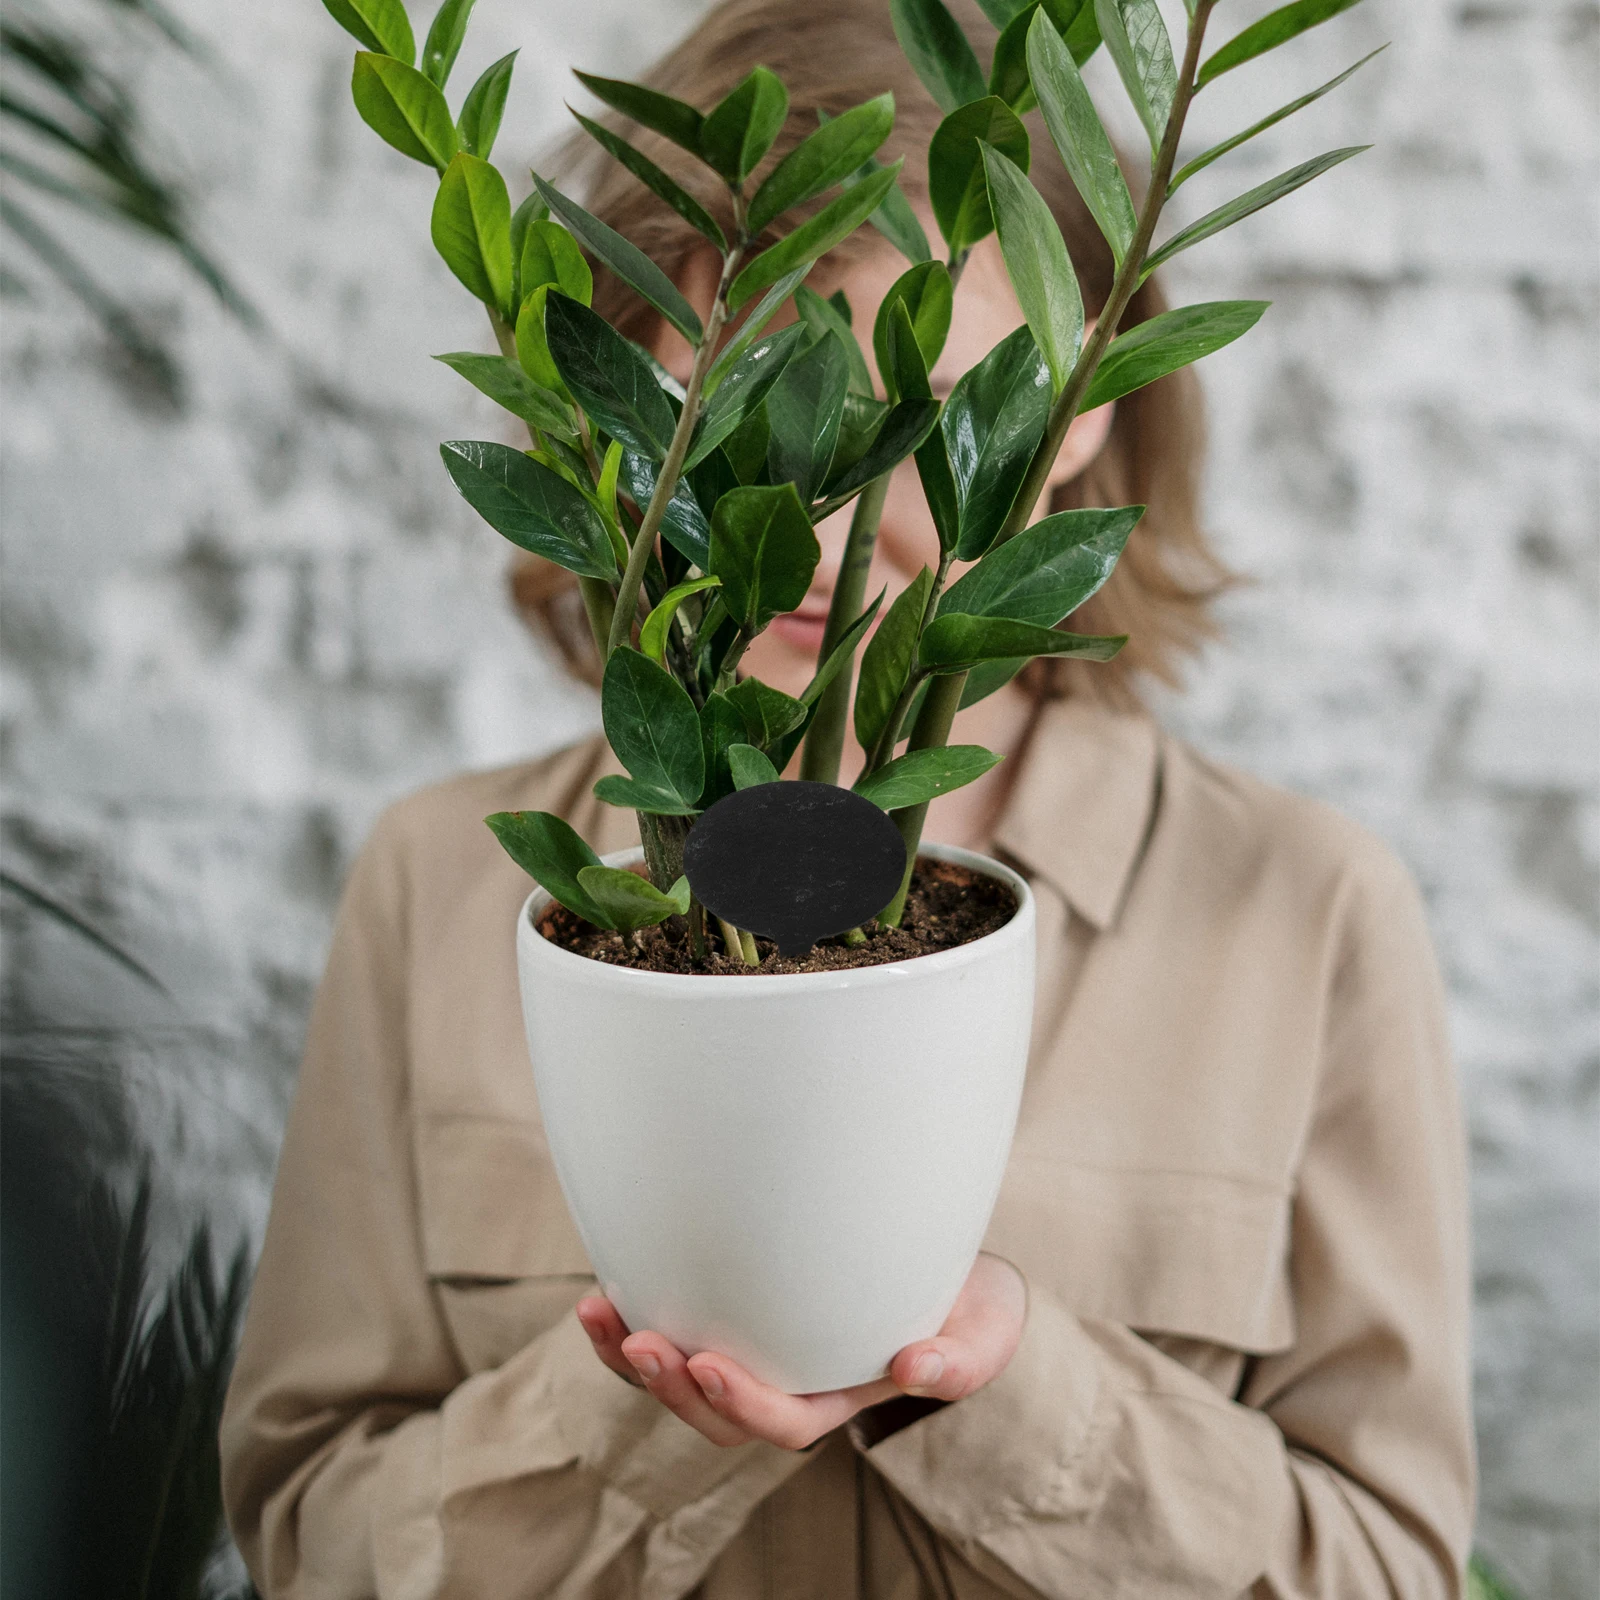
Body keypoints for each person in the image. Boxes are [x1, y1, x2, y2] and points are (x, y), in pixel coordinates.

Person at [219, 1, 1476, 1594]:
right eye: (733, 419)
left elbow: (1392, 1570)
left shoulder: (1305, 916)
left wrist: (999, 1393)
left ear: (1082, 395)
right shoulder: (442, 890)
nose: (811, 534)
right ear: (612, 422)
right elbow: (311, 1533)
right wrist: (655, 1400)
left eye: (919, 416)